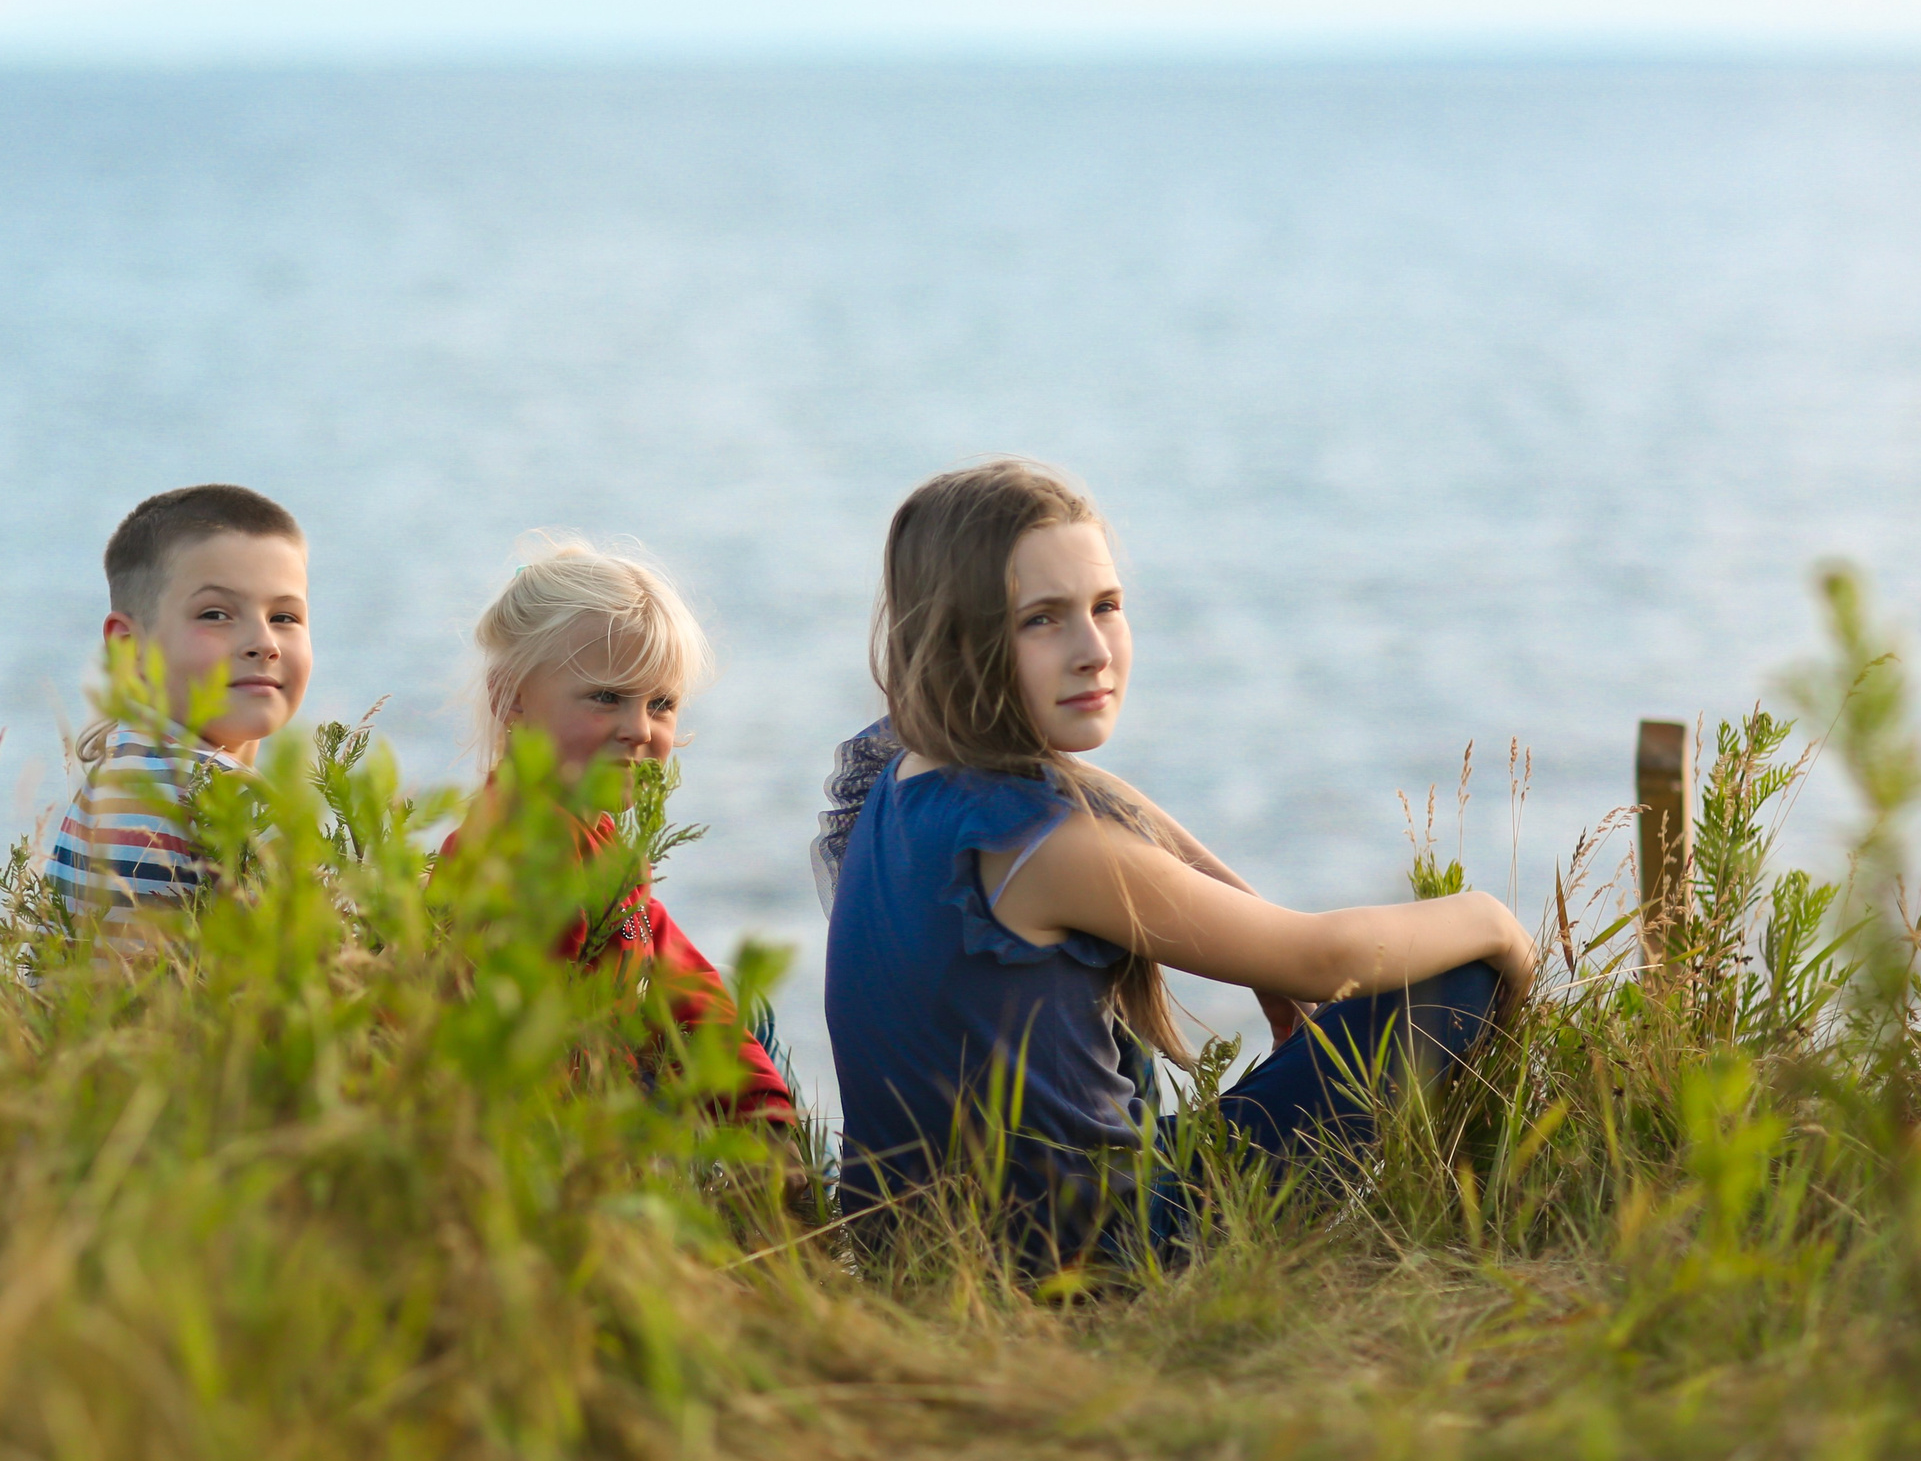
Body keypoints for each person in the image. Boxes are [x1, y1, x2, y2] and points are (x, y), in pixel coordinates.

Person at [817, 461, 1536, 1268]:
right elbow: (1324, 956)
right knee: (1455, 971)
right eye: (1042, 620)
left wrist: (1241, 914)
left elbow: (1094, 792)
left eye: (1106, 606)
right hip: (1105, 1260)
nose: (1094, 650)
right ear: (961, 639)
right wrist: (1494, 921)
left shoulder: (900, 775)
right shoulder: (1046, 852)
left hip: (919, 1253)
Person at [453, 534, 798, 1129]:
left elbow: (678, 969)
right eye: (606, 698)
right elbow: (543, 1060)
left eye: (661, 703)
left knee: (737, 1009)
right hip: (569, 1137)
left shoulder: (592, 837)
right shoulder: (533, 849)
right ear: (511, 699)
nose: (639, 729)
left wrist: (761, 1105)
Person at [45, 483, 312, 947]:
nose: (264, 644)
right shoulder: (227, 797)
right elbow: (326, 969)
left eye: (284, 617)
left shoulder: (115, 771)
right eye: (215, 614)